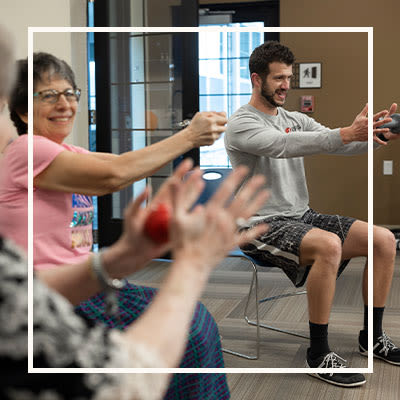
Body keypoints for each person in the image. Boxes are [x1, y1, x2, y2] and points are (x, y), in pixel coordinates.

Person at [0, 28, 271, 399]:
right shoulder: (25, 149)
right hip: (54, 293)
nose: (64, 103)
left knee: (194, 328)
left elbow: (122, 164)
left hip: (86, 281)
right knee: (192, 329)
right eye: (48, 95)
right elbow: (113, 176)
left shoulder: (66, 153)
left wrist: (181, 144)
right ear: (22, 111)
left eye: (70, 93)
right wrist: (189, 137)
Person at [224, 40, 400, 387]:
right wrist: (344, 133)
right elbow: (282, 145)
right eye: (278, 78)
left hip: (299, 215)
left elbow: (338, 144)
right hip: (257, 224)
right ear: (257, 79)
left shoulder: (294, 119)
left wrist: (376, 136)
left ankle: (372, 337)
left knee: (382, 240)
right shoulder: (241, 123)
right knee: (329, 244)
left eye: (289, 78)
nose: (286, 85)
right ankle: (318, 353)